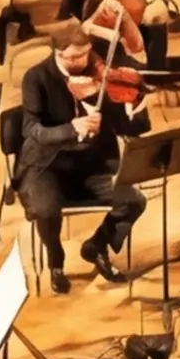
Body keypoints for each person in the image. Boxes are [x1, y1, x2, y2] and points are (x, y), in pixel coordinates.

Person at [13, 31, 136, 290]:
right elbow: (32, 130)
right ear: (57, 54)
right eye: (73, 57)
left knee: (133, 200)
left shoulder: (98, 75)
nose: (82, 62)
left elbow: (127, 126)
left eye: (85, 54)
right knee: (46, 210)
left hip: (88, 165)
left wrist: (127, 107)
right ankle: (56, 261)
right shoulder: (36, 78)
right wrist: (72, 128)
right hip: (47, 165)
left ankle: (97, 246)